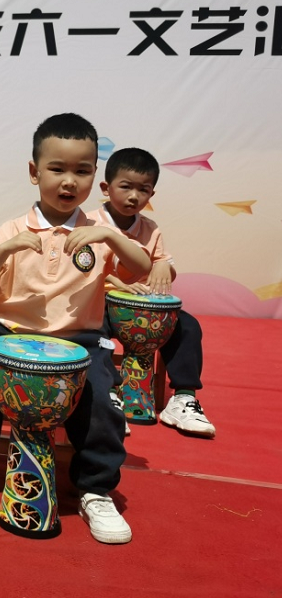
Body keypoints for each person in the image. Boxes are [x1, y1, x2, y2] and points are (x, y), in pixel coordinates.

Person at [0, 113, 151, 544]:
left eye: (82, 171)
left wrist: (112, 238)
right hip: (8, 336)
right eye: (57, 169)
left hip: (80, 342)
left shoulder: (101, 232)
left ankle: (96, 490)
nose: (69, 181)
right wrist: (6, 247)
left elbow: (141, 268)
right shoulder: (12, 228)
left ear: (95, 176)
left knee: (102, 399)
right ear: (34, 171)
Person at [96, 147, 215, 437]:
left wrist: (164, 266)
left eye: (143, 189)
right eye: (126, 187)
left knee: (187, 325)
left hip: (142, 310)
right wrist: (116, 283)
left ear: (152, 194)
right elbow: (81, 269)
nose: (134, 196)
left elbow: (165, 264)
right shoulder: (89, 223)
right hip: (101, 304)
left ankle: (183, 397)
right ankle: (107, 394)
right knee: (92, 329)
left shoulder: (151, 228)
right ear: (106, 188)